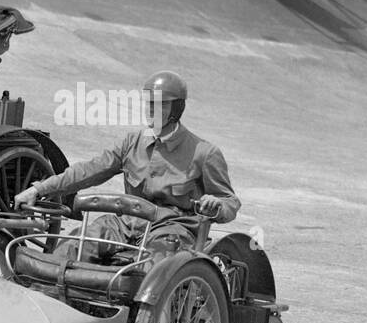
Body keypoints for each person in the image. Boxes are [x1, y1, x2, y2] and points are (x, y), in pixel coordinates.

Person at [13, 71, 240, 261]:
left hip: (172, 229)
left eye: (159, 104)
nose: (151, 109)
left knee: (150, 270)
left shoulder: (204, 152)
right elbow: (89, 170)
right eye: (149, 103)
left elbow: (230, 201)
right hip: (125, 223)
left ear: (177, 109)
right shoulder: (132, 143)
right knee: (72, 247)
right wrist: (39, 189)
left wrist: (216, 205)